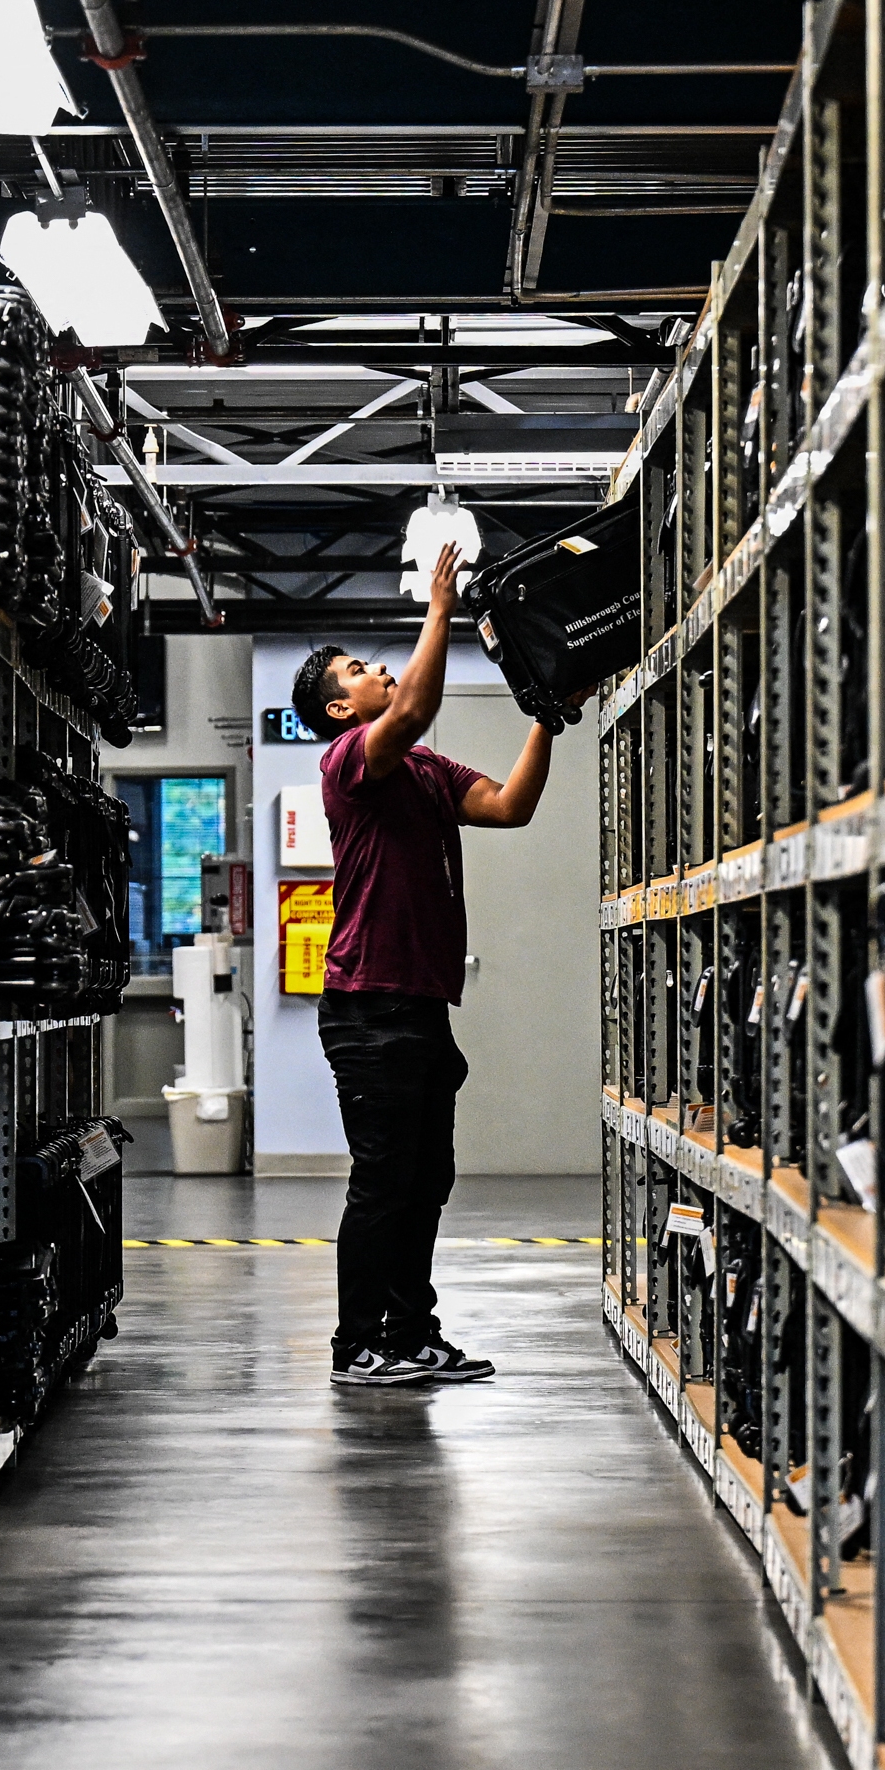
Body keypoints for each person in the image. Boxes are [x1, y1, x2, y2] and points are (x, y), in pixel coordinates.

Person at [289, 541, 553, 1388]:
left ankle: (410, 1335)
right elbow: (407, 716)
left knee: (424, 1181)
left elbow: (510, 808)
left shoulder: (430, 772)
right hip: (368, 1008)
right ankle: (355, 1346)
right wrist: (438, 610)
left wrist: (546, 717)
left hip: (419, 1009)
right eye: (362, 670)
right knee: (383, 1183)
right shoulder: (349, 764)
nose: (380, 672)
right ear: (340, 713)